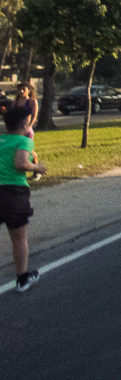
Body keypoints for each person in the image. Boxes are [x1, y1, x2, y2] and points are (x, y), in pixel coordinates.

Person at [1, 104, 47, 292]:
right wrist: (38, 168)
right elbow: (21, 163)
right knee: (19, 238)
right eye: (29, 123)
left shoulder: (1, 140)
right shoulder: (24, 141)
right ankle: (22, 279)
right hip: (14, 193)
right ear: (23, 125)